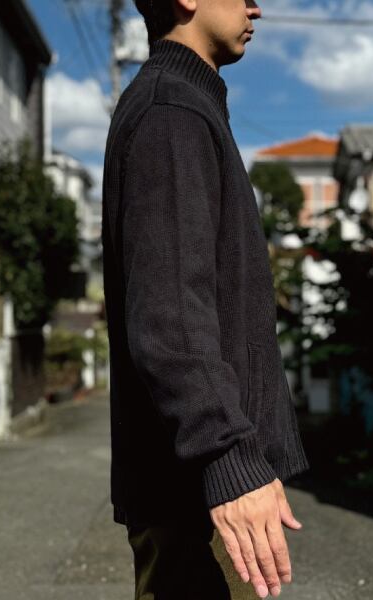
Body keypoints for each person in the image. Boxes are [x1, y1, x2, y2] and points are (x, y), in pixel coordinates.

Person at [101, 0, 310, 598]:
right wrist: (229, 460)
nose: (255, 7)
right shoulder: (172, 112)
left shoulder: (185, 107)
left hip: (197, 495)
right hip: (194, 501)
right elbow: (170, 321)